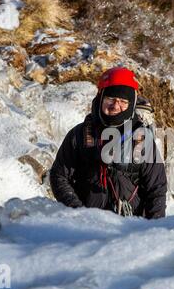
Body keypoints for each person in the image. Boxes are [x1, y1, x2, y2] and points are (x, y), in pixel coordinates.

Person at [50, 67, 167, 219]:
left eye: (123, 101)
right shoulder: (79, 135)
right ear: (100, 98)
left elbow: (157, 188)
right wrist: (79, 213)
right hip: (85, 228)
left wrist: (154, 229)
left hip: (130, 229)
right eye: (110, 99)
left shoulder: (142, 140)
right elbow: (59, 176)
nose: (116, 106)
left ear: (131, 104)